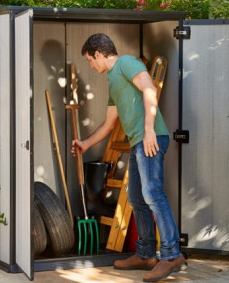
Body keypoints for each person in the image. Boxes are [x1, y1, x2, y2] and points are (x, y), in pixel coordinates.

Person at [72, 33, 187, 282]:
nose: (91, 65)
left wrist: (148, 131)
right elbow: (109, 124)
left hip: (151, 137)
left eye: (90, 60)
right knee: (136, 196)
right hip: (138, 142)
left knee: (152, 193)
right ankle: (145, 254)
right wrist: (84, 144)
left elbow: (149, 89)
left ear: (99, 54)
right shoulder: (114, 80)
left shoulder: (126, 63)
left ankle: (171, 255)